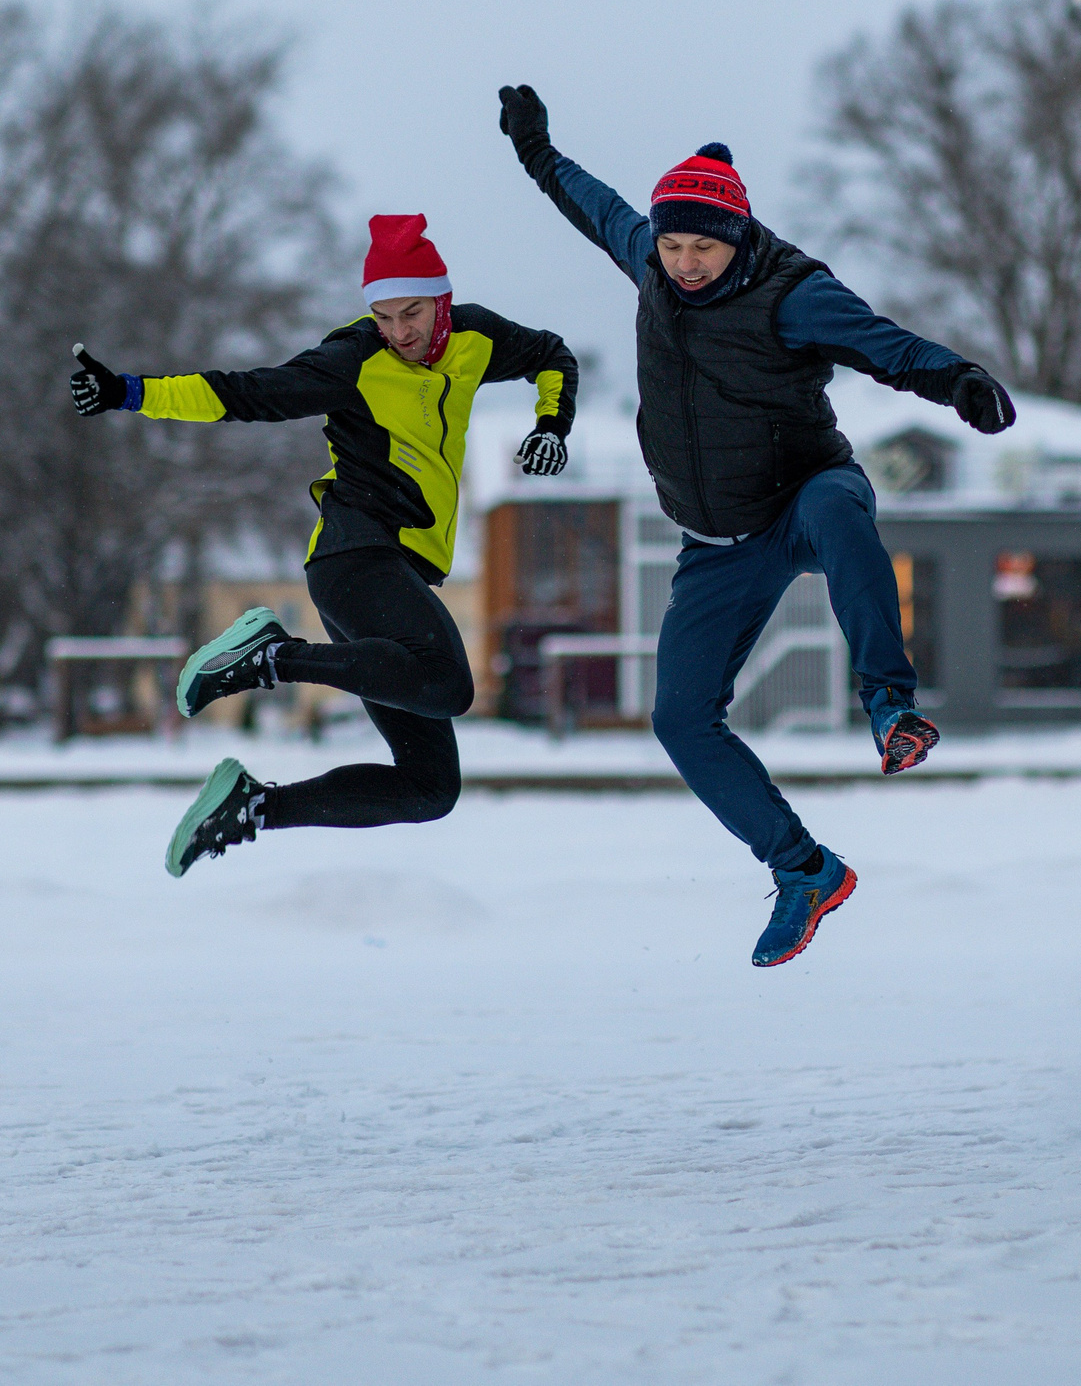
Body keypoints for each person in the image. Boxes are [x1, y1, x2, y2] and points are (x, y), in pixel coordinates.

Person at [496, 84, 1017, 967]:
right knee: (680, 719)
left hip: (804, 495)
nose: (686, 264)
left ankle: (890, 705)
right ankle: (805, 870)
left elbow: (885, 343)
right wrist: (535, 151)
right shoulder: (649, 257)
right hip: (715, 544)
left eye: (704, 247)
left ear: (738, 238)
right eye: (674, 246)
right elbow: (595, 205)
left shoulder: (791, 293)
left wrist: (958, 378)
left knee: (840, 511)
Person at [70, 213, 579, 876]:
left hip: (399, 570)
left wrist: (551, 427)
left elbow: (552, 355)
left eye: (413, 313)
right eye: (385, 317)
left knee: (430, 788)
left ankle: (252, 807)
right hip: (356, 555)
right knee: (449, 683)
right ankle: (271, 657)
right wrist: (128, 391)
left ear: (442, 301)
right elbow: (249, 393)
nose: (400, 332)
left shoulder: (477, 338)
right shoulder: (354, 357)